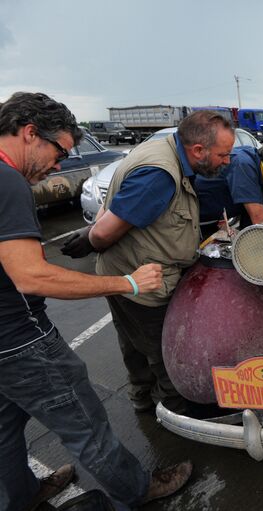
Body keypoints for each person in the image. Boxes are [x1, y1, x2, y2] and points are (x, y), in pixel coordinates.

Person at [0, 92, 192, 511]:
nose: (58, 165)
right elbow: (31, 275)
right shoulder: (8, 182)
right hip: (19, 341)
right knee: (85, 423)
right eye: (59, 151)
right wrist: (127, 283)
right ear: (31, 133)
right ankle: (136, 489)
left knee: (3, 427)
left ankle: (22, 495)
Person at [87, 111, 235, 415]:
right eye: (223, 154)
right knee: (166, 353)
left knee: (133, 342)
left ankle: (141, 396)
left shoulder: (162, 151)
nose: (227, 161)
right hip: (142, 281)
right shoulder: (159, 174)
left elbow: (116, 207)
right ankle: (174, 414)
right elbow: (102, 234)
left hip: (125, 273)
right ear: (198, 150)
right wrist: (89, 239)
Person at [195, 140, 263, 237]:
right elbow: (259, 220)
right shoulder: (244, 164)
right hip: (193, 221)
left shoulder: (259, 168)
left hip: (209, 220)